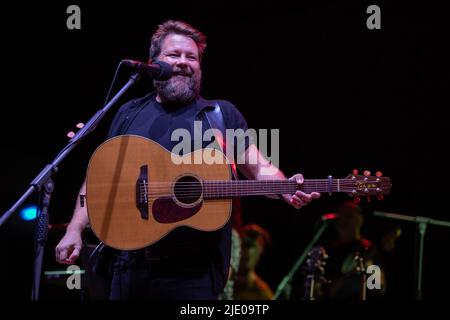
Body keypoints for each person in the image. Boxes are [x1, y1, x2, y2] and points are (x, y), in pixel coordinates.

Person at [55, 20, 320, 300]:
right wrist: (74, 228)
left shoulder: (220, 115)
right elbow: (100, 177)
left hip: (194, 275)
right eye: (174, 55)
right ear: (153, 62)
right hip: (129, 267)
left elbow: (260, 167)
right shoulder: (128, 113)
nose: (183, 62)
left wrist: (285, 187)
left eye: (191, 57)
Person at [234, 224, 273, 300]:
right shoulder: (220, 282)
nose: (247, 251)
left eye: (253, 246)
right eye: (244, 244)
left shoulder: (263, 295)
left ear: (260, 252)